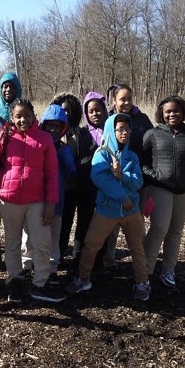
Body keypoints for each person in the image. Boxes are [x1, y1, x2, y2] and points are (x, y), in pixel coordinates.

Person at [0, 99, 66, 303]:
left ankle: (40, 284)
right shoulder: (5, 136)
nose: (22, 119)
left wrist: (51, 203)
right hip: (9, 200)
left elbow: (52, 174)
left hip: (36, 201)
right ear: (12, 117)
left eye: (26, 115)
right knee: (12, 243)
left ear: (34, 115)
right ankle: (14, 281)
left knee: (41, 242)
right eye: (18, 116)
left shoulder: (44, 139)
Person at [67, 113, 151, 301]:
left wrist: (122, 175)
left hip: (132, 212)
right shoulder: (102, 154)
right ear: (111, 131)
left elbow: (138, 182)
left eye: (127, 129)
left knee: (137, 247)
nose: (125, 133)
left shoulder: (132, 157)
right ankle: (83, 278)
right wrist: (122, 196)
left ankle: (142, 282)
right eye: (120, 129)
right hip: (107, 210)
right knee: (91, 245)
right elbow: (100, 178)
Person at [142, 95, 185, 288]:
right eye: (168, 111)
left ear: (183, 112)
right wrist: (153, 176)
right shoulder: (153, 134)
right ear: (162, 114)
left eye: (176, 111)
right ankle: (144, 271)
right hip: (160, 189)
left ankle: (168, 271)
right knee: (159, 229)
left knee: (175, 231)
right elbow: (143, 162)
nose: (172, 114)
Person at [102, 83, 154, 269]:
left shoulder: (142, 120)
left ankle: (140, 264)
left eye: (129, 98)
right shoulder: (109, 121)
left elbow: (150, 149)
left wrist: (148, 180)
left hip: (136, 180)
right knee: (112, 224)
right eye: (122, 99)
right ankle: (108, 260)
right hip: (112, 179)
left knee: (137, 223)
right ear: (114, 101)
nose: (127, 102)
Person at [22, 104, 76, 281]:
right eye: (49, 125)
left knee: (53, 236)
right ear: (42, 125)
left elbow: (71, 172)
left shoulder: (63, 149)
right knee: (29, 234)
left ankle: (51, 269)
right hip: (34, 199)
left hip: (56, 202)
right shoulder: (35, 144)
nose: (53, 130)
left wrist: (67, 154)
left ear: (63, 128)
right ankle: (27, 265)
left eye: (57, 126)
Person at [0, 72, 22, 271]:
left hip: (14, 167)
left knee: (10, 213)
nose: (8, 90)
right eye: (4, 86)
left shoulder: (22, 108)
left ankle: (13, 249)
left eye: (11, 86)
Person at [69, 91, 108, 272]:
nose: (95, 114)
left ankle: (99, 261)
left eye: (98, 110)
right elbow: (77, 158)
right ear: (86, 113)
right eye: (91, 111)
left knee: (103, 225)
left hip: (106, 189)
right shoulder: (82, 133)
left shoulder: (111, 130)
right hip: (85, 187)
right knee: (84, 223)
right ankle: (78, 257)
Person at [48, 93, 85, 262]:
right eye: (63, 110)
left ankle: (60, 254)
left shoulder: (79, 133)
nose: (67, 113)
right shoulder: (49, 131)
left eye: (69, 110)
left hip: (72, 186)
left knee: (65, 223)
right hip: (53, 187)